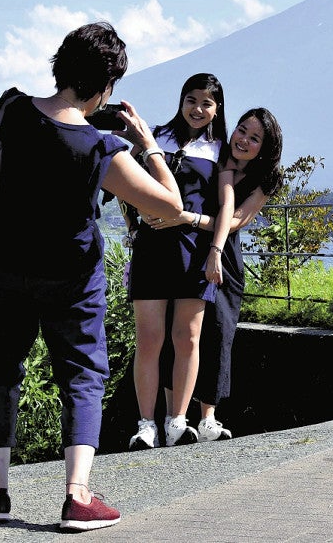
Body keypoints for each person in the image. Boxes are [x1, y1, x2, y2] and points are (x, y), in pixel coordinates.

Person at [0, 22, 183, 531]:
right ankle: (77, 497)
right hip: (71, 277)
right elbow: (168, 205)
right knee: (82, 373)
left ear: (59, 65)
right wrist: (146, 142)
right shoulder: (99, 148)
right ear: (106, 87)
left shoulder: (11, 108)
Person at [148, 108, 283, 441]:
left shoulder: (267, 177)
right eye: (242, 130)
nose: (244, 140)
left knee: (218, 333)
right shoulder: (213, 155)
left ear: (264, 148)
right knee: (178, 334)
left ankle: (208, 417)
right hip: (187, 251)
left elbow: (237, 220)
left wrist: (186, 219)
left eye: (255, 138)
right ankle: (172, 417)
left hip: (224, 259)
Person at [125, 73, 227, 450]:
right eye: (191, 99)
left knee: (187, 337)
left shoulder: (221, 150)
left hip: (195, 251)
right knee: (149, 338)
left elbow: (223, 207)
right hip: (151, 248)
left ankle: (177, 421)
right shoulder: (155, 138)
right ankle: (145, 424)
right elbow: (126, 181)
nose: (198, 109)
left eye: (207, 102)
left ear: (217, 109)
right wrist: (135, 215)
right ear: (180, 100)